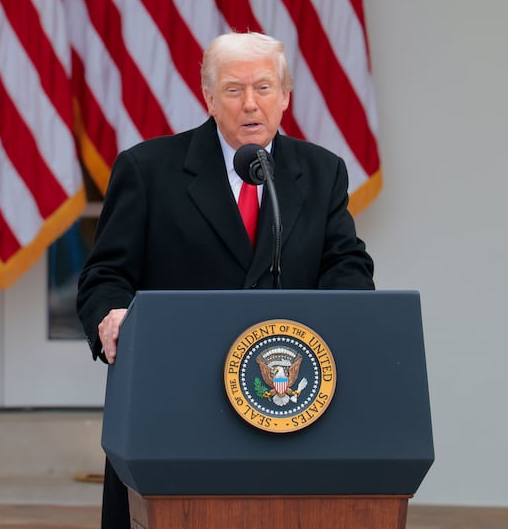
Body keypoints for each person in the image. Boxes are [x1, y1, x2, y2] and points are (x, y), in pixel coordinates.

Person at [76, 32, 374, 529]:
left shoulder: (322, 172)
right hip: (178, 404)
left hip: (288, 401)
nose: (250, 104)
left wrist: (340, 320)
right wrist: (111, 316)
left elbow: (347, 266)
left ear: (285, 96)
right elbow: (105, 275)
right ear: (210, 99)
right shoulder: (148, 170)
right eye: (234, 90)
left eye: (263, 87)